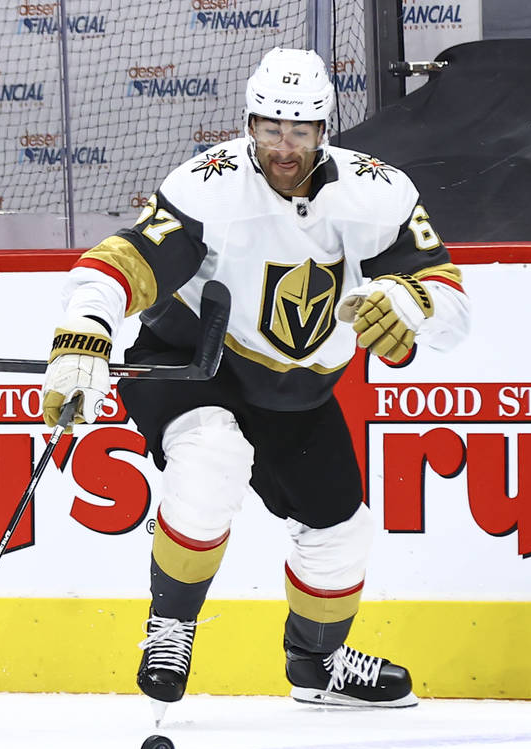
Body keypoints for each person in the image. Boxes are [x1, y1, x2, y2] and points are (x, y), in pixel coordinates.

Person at [41, 48, 470, 710]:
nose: (284, 148)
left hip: (297, 391)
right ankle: (171, 627)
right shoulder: (206, 183)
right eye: (270, 128)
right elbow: (126, 258)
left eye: (300, 131)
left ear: (326, 128)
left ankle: (318, 661)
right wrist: (84, 327)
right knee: (212, 455)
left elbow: (450, 303)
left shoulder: (379, 192)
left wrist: (409, 302)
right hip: (192, 362)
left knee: (340, 531)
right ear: (249, 123)